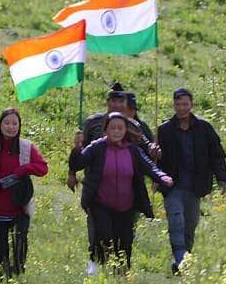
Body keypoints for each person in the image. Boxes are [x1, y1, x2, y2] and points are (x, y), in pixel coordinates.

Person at [70, 113, 172, 275]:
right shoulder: (97, 147)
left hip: (126, 206)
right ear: (106, 129)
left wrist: (161, 176)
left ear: (125, 130)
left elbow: (148, 166)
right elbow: (78, 163)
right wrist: (77, 148)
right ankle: (97, 263)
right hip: (101, 203)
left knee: (124, 243)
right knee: (104, 235)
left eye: (120, 128)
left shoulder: (133, 150)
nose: (117, 131)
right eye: (113, 128)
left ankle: (122, 274)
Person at [156, 87, 226, 274]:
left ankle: (183, 260)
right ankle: (180, 257)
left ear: (191, 105)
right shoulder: (164, 130)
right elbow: (155, 160)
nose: (181, 108)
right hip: (173, 186)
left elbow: (217, 154)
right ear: (174, 105)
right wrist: (155, 164)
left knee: (190, 226)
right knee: (176, 221)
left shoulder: (204, 128)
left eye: (185, 104)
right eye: (178, 104)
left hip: (196, 187)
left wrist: (222, 178)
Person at [0, 108, 48, 278]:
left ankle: (19, 274)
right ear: (0, 125)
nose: (11, 127)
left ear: (19, 126)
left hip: (19, 207)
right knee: (1, 249)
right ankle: (3, 276)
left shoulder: (27, 147)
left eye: (15, 123)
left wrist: (25, 168)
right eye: (7, 123)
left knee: (20, 245)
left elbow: (43, 168)